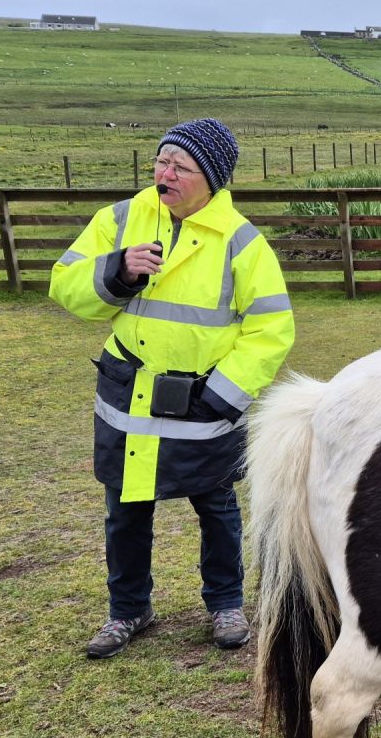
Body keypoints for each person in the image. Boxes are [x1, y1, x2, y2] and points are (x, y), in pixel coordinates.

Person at [50, 118, 294, 659]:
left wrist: (224, 393)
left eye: (180, 166)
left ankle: (226, 604)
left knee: (217, 506)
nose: (165, 173)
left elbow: (272, 327)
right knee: (125, 509)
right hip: (127, 399)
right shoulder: (120, 219)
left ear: (211, 177)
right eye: (161, 161)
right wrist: (116, 271)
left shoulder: (242, 242)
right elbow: (64, 285)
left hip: (204, 402)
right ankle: (128, 610)